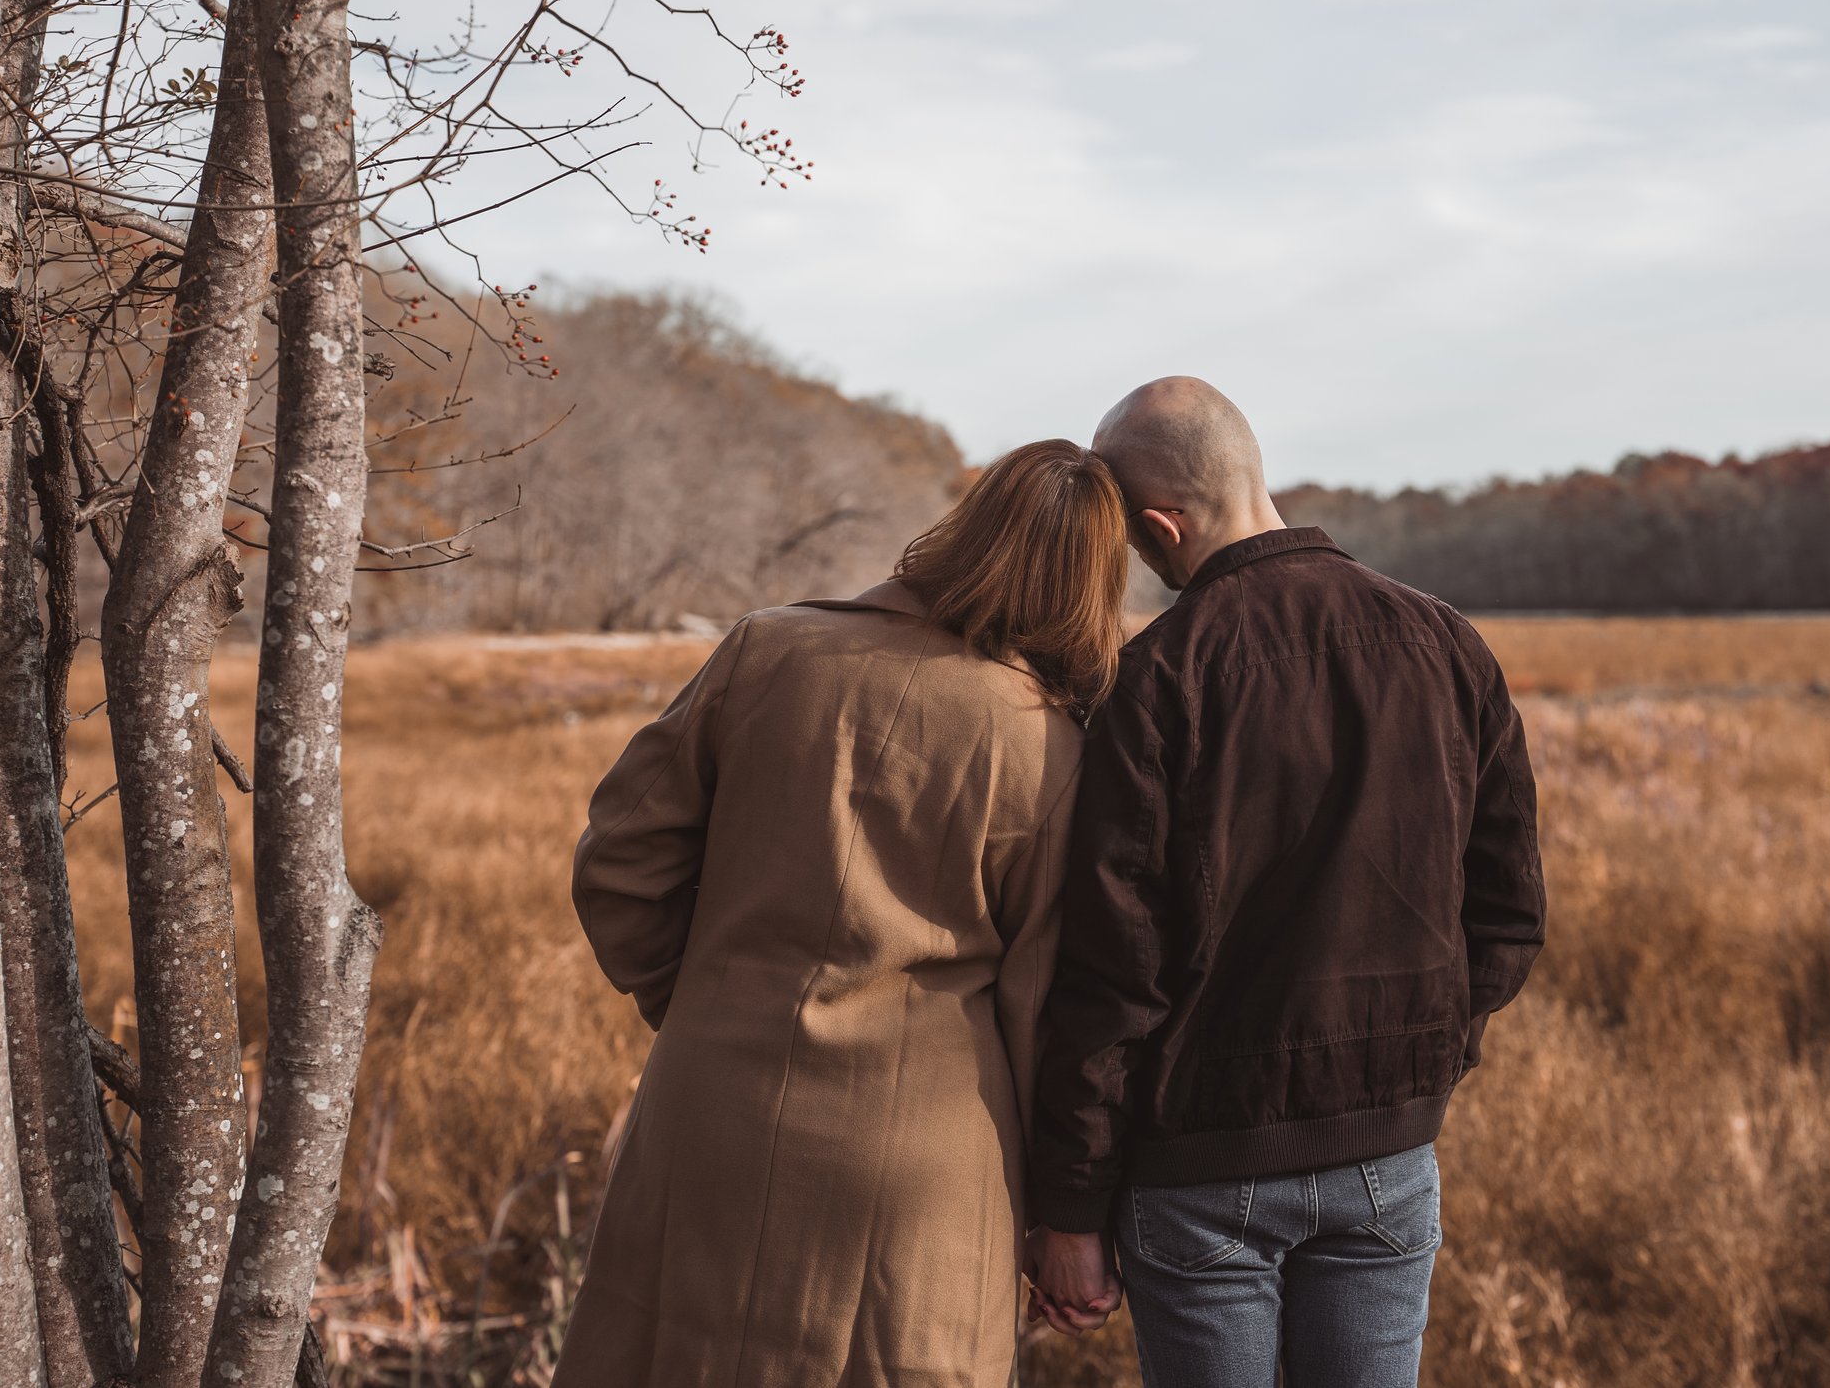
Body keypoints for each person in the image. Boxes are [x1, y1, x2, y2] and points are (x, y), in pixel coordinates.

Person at [552, 440, 1127, 1387]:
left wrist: (701, 1006)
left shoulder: (767, 647)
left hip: (708, 1111)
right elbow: (1041, 1006)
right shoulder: (1048, 746)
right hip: (925, 1170)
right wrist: (1065, 1208)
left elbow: (619, 864)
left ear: (966, 531)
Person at [1024, 378, 1547, 1387]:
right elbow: (1508, 912)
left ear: (1159, 523)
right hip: (1388, 1156)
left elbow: (1112, 972)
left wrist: (1071, 1207)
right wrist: (1418, 1060)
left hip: (1198, 1171)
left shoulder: (1157, 677)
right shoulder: (1445, 641)